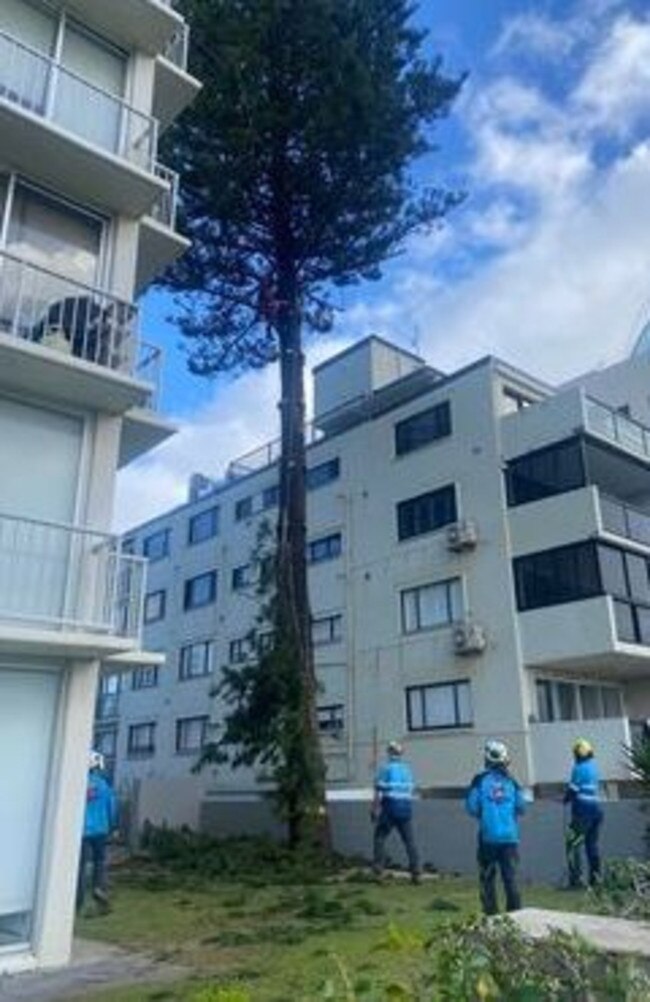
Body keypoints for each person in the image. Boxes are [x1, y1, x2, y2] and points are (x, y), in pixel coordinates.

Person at [466, 739, 527, 915]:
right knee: (511, 878)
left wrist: (485, 814)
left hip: (488, 838)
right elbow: (522, 808)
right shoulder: (512, 782)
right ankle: (516, 915)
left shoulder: (479, 781)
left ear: (487, 758)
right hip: (510, 838)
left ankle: (491, 915)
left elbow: (471, 807)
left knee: (487, 878)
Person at [372, 741, 421, 884]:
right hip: (405, 809)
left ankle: (379, 871)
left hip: (390, 807)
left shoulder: (385, 769)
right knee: (409, 841)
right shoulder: (407, 771)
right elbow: (411, 789)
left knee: (380, 837)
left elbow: (378, 789)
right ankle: (416, 872)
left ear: (390, 753)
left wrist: (374, 809)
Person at [77, 750, 117, 913]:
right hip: (100, 830)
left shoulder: (77, 784)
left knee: (80, 865)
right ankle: (98, 888)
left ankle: (77, 900)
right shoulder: (103, 785)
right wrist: (113, 826)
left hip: (81, 831)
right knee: (99, 861)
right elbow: (112, 807)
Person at [564, 738, 603, 888]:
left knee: (572, 844)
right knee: (591, 846)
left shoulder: (578, 768)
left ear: (579, 753)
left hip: (583, 812)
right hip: (596, 811)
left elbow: (573, 790)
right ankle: (595, 880)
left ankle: (576, 880)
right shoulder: (594, 767)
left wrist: (565, 799)